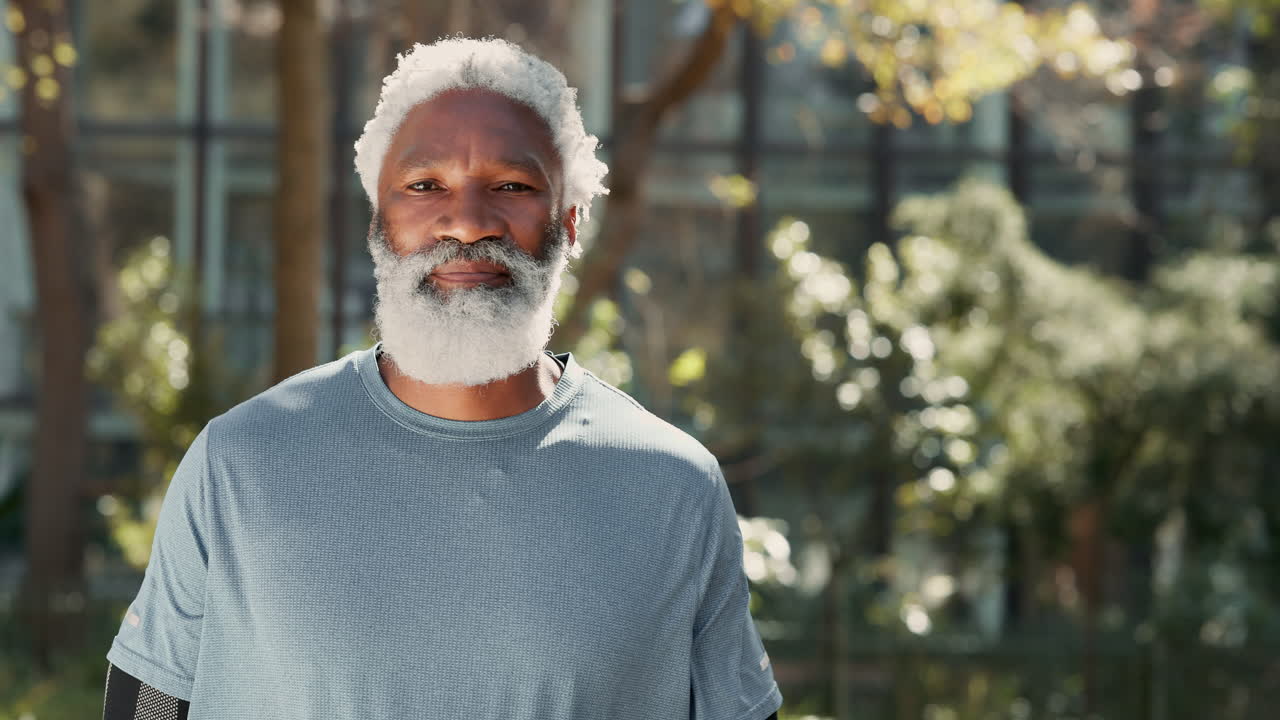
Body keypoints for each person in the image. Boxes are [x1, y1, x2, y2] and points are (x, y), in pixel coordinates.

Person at [102, 37, 782, 720]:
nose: (467, 221)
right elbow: (147, 707)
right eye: (425, 186)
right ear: (378, 222)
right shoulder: (238, 463)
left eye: (511, 186)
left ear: (570, 222)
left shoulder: (674, 487)